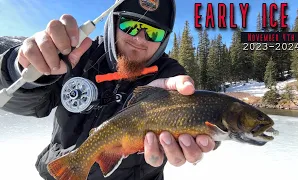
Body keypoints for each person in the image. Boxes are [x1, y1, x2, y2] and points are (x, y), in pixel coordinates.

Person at [0, 0, 216, 179]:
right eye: (130, 25)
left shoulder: (171, 76)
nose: (140, 38)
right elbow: (21, 102)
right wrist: (22, 71)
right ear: (113, 22)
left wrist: (208, 135)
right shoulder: (78, 56)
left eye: (154, 33)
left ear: (164, 39)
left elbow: (201, 116)